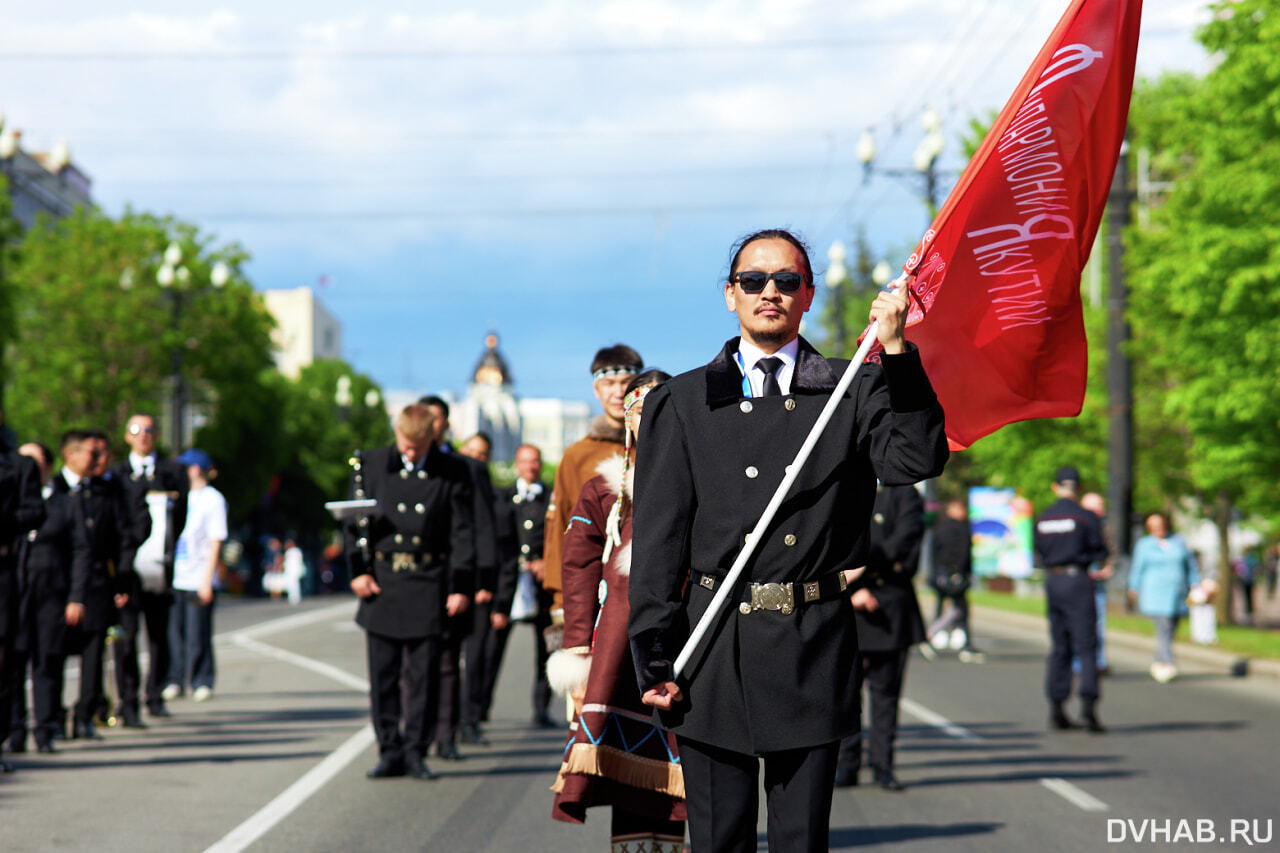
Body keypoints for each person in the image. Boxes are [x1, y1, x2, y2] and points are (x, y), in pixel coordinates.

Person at [629, 228, 948, 852]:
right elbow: (660, 541)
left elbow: (915, 459)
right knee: (720, 840)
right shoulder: (683, 401)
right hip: (712, 647)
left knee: (801, 841)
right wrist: (656, 656)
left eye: (786, 281)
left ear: (807, 297)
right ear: (730, 295)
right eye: (753, 281)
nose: (769, 292)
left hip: (811, 642)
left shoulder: (851, 388)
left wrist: (898, 349)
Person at [549, 369, 684, 852]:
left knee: (688, 758)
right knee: (625, 759)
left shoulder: (702, 479)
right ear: (625, 419)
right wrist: (579, 649)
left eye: (660, 412)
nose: (648, 422)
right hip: (617, 644)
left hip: (686, 640)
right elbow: (578, 566)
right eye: (639, 412)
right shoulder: (606, 486)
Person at [345, 403, 474, 781]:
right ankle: (389, 750)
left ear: (432, 437)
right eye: (406, 443)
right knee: (382, 677)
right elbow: (353, 522)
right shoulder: (370, 464)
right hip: (383, 581)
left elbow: (462, 533)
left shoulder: (451, 471)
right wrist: (357, 572)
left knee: (424, 677)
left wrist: (460, 586)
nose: (411, 452)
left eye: (419, 446)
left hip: (428, 580)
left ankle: (417, 750)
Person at [415, 400, 496, 760]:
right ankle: (414, 734)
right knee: (414, 663)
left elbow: (482, 527)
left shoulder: (466, 468)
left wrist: (482, 581)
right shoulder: (404, 464)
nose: (430, 425)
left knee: (449, 660)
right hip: (414, 580)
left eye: (436, 418)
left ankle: (448, 733)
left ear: (446, 423)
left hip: (455, 578)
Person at [835, 482, 926, 792]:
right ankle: (847, 765)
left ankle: (883, 764)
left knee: (886, 695)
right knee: (847, 695)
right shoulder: (847, 490)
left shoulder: (905, 495)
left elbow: (903, 542)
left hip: (890, 608)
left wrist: (859, 567)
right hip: (849, 606)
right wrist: (854, 589)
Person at [543, 345, 643, 627]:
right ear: (595, 389)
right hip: (592, 591)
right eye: (608, 383)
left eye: (625, 383)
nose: (617, 392)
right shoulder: (577, 456)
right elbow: (559, 526)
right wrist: (562, 602)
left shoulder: (658, 448)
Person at [56, 430, 132, 741]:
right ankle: (51, 717)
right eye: (92, 453)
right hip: (57, 583)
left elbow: (122, 536)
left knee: (93, 653)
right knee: (51, 653)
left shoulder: (104, 492)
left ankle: (85, 714)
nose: (98, 460)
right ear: (70, 454)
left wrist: (120, 579)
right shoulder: (53, 490)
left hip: (98, 581)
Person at [111, 413, 187, 724]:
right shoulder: (116, 475)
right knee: (125, 636)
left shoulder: (172, 472)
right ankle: (128, 702)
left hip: (159, 567)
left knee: (158, 634)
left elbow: (179, 519)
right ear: (127, 436)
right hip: (127, 569)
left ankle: (154, 695)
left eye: (149, 430)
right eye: (136, 430)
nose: (143, 435)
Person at [1033, 466, 1108, 733]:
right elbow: (1100, 550)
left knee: (1059, 646)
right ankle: (1089, 707)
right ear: (1078, 487)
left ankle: (1056, 707)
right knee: (1086, 645)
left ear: (1055, 487)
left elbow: (1038, 551)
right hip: (1078, 581)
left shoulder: (1043, 518)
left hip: (1053, 581)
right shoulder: (1086, 517)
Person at [489, 443, 555, 728]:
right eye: (525, 461)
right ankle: (479, 708)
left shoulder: (552, 496)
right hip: (509, 585)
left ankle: (541, 709)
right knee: (494, 646)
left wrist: (546, 563)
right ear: (516, 465)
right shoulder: (501, 497)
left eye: (535, 461)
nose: (531, 467)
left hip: (542, 586)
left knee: (546, 649)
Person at [164, 449, 226, 704]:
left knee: (197, 633)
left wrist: (207, 580)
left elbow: (215, 542)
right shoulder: (177, 496)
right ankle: (175, 679)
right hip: (175, 575)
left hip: (199, 576)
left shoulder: (212, 499)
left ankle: (201, 679)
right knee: (173, 633)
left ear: (195, 469)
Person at [4, 441, 54, 760]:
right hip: (15, 581)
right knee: (12, 659)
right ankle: (14, 729)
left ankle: (41, 729)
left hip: (35, 585)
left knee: (36, 659)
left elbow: (35, 513)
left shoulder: (59, 500)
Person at [455, 431, 501, 748]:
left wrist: (487, 583)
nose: (474, 459)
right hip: (452, 584)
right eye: (469, 451)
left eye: (481, 454)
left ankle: (470, 719)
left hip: (479, 585)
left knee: (477, 656)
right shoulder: (449, 483)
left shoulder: (488, 488)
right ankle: (445, 722)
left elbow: (491, 535)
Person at [1127, 511, 1200, 683]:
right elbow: (1138, 567)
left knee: (1171, 628)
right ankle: (1167, 662)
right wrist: (1133, 586)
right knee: (1164, 627)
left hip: (1177, 593)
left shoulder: (1179, 541)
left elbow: (1190, 566)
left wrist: (1196, 584)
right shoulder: (1144, 544)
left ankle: (1159, 660)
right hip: (1154, 593)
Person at [929, 498, 980, 659]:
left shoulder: (940, 528)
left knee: (942, 605)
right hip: (957, 575)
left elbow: (934, 553)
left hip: (941, 574)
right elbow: (965, 553)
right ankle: (964, 643)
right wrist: (962, 572)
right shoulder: (962, 528)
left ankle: (935, 637)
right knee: (961, 608)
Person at [1078, 492, 1114, 675]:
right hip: (1079, 583)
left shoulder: (1104, 528)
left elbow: (1110, 551)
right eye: (1094, 506)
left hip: (1098, 584)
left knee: (1099, 623)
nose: (1099, 510)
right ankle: (1079, 663)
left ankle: (1098, 661)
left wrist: (1107, 568)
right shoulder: (1077, 526)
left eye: (1100, 506)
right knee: (1079, 623)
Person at [282, 538, 306, 605]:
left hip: (294, 570)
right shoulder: (288, 552)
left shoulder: (296, 551)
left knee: (295, 584)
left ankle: (295, 597)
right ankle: (292, 597)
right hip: (290, 570)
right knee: (290, 584)